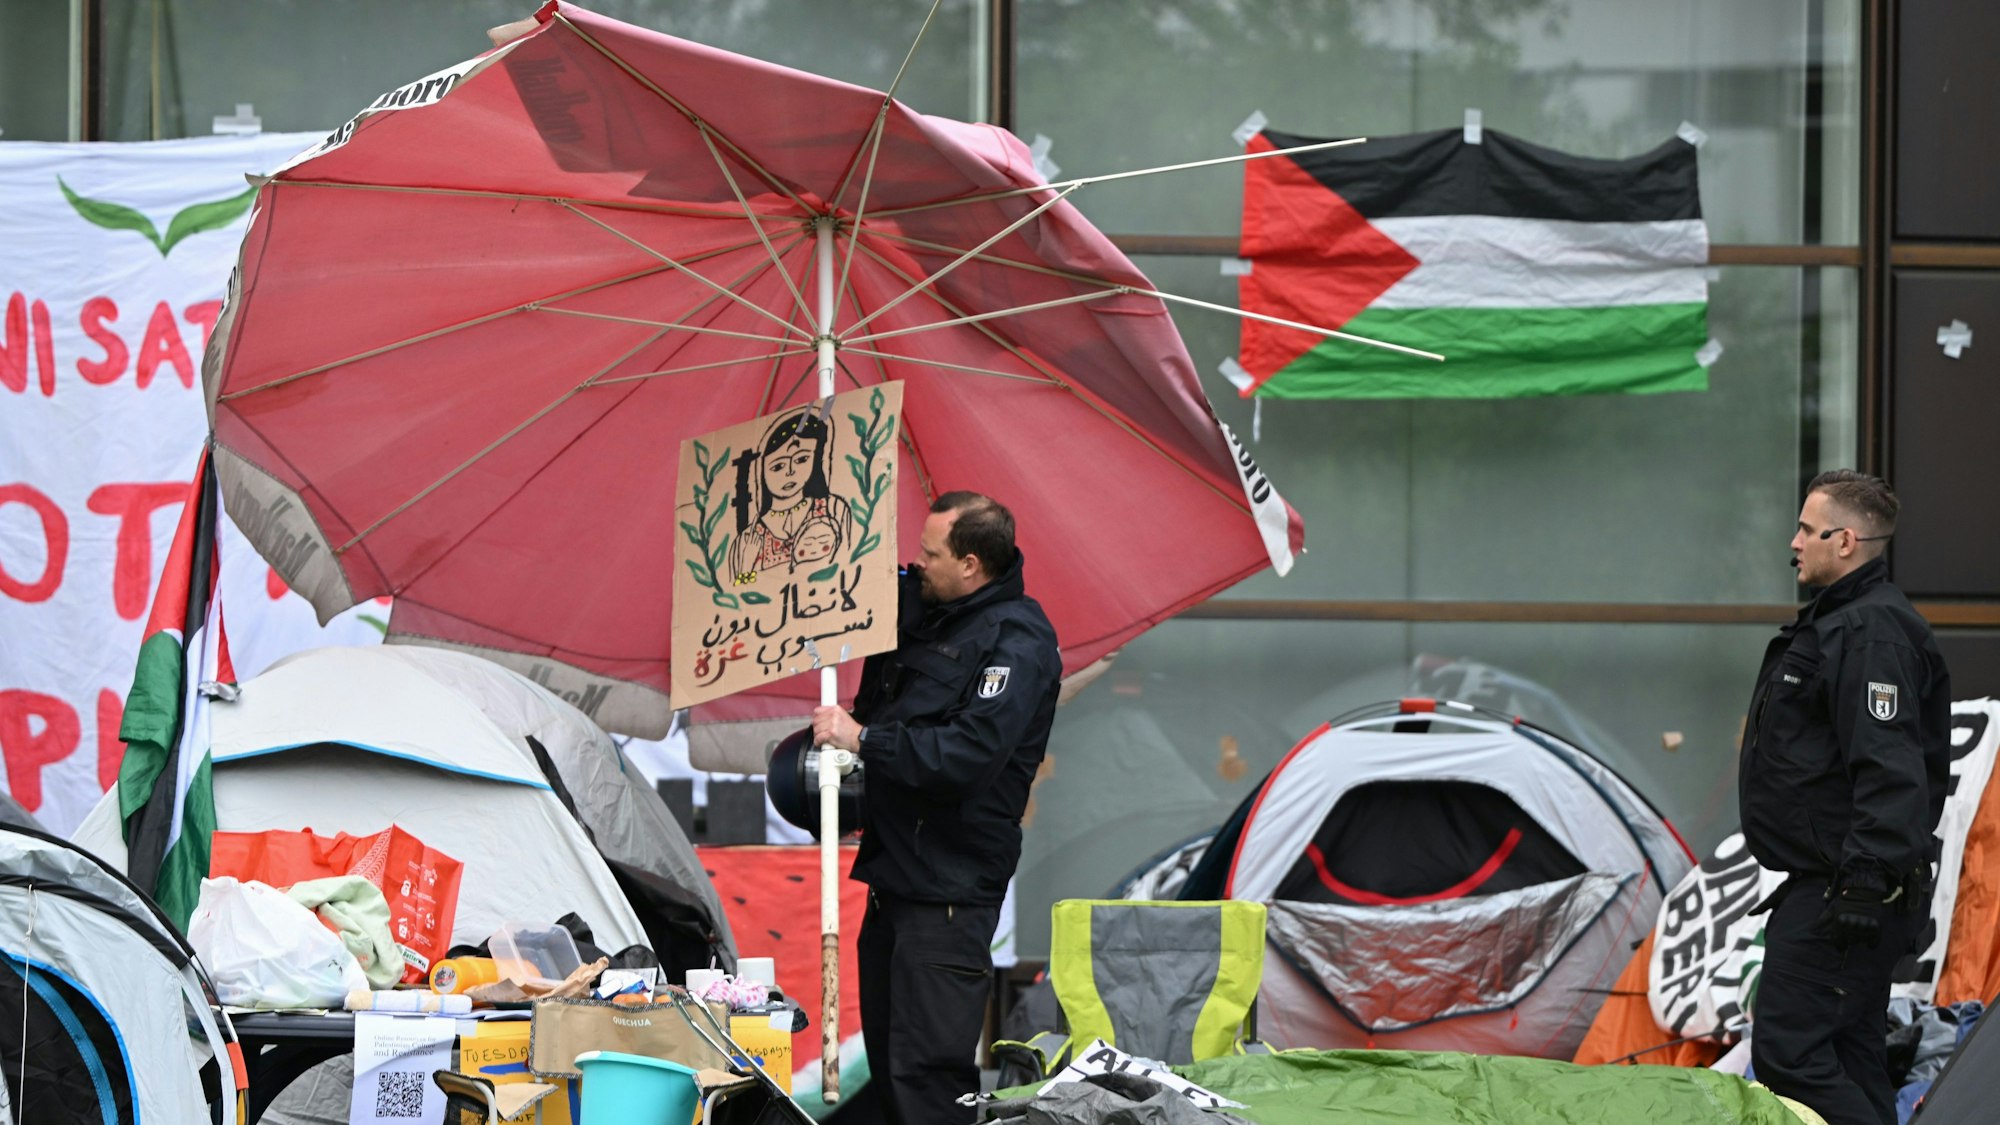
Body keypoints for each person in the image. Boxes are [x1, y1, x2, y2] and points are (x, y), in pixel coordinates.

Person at [811, 491, 1061, 1125]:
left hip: (949, 892)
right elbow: (879, 707)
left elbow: (967, 755)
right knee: (893, 1071)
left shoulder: (1019, 641)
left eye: (929, 553)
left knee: (928, 1079)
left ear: (972, 564)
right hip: (893, 879)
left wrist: (864, 739)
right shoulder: (924, 615)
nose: (915, 563)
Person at [1739, 470, 1950, 1125]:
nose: (1794, 541)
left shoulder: (1871, 631)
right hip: (1841, 879)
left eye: (1807, 528)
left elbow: (1888, 767)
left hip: (1849, 889)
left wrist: (1864, 880)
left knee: (1787, 1052)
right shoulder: (1843, 622)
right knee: (1851, 1052)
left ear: (1847, 540)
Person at [728, 407, 852, 585]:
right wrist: (746, 568)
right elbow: (735, 599)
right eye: (778, 466)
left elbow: (851, 570)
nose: (790, 472)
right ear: (761, 472)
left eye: (801, 459)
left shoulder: (834, 509)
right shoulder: (748, 538)